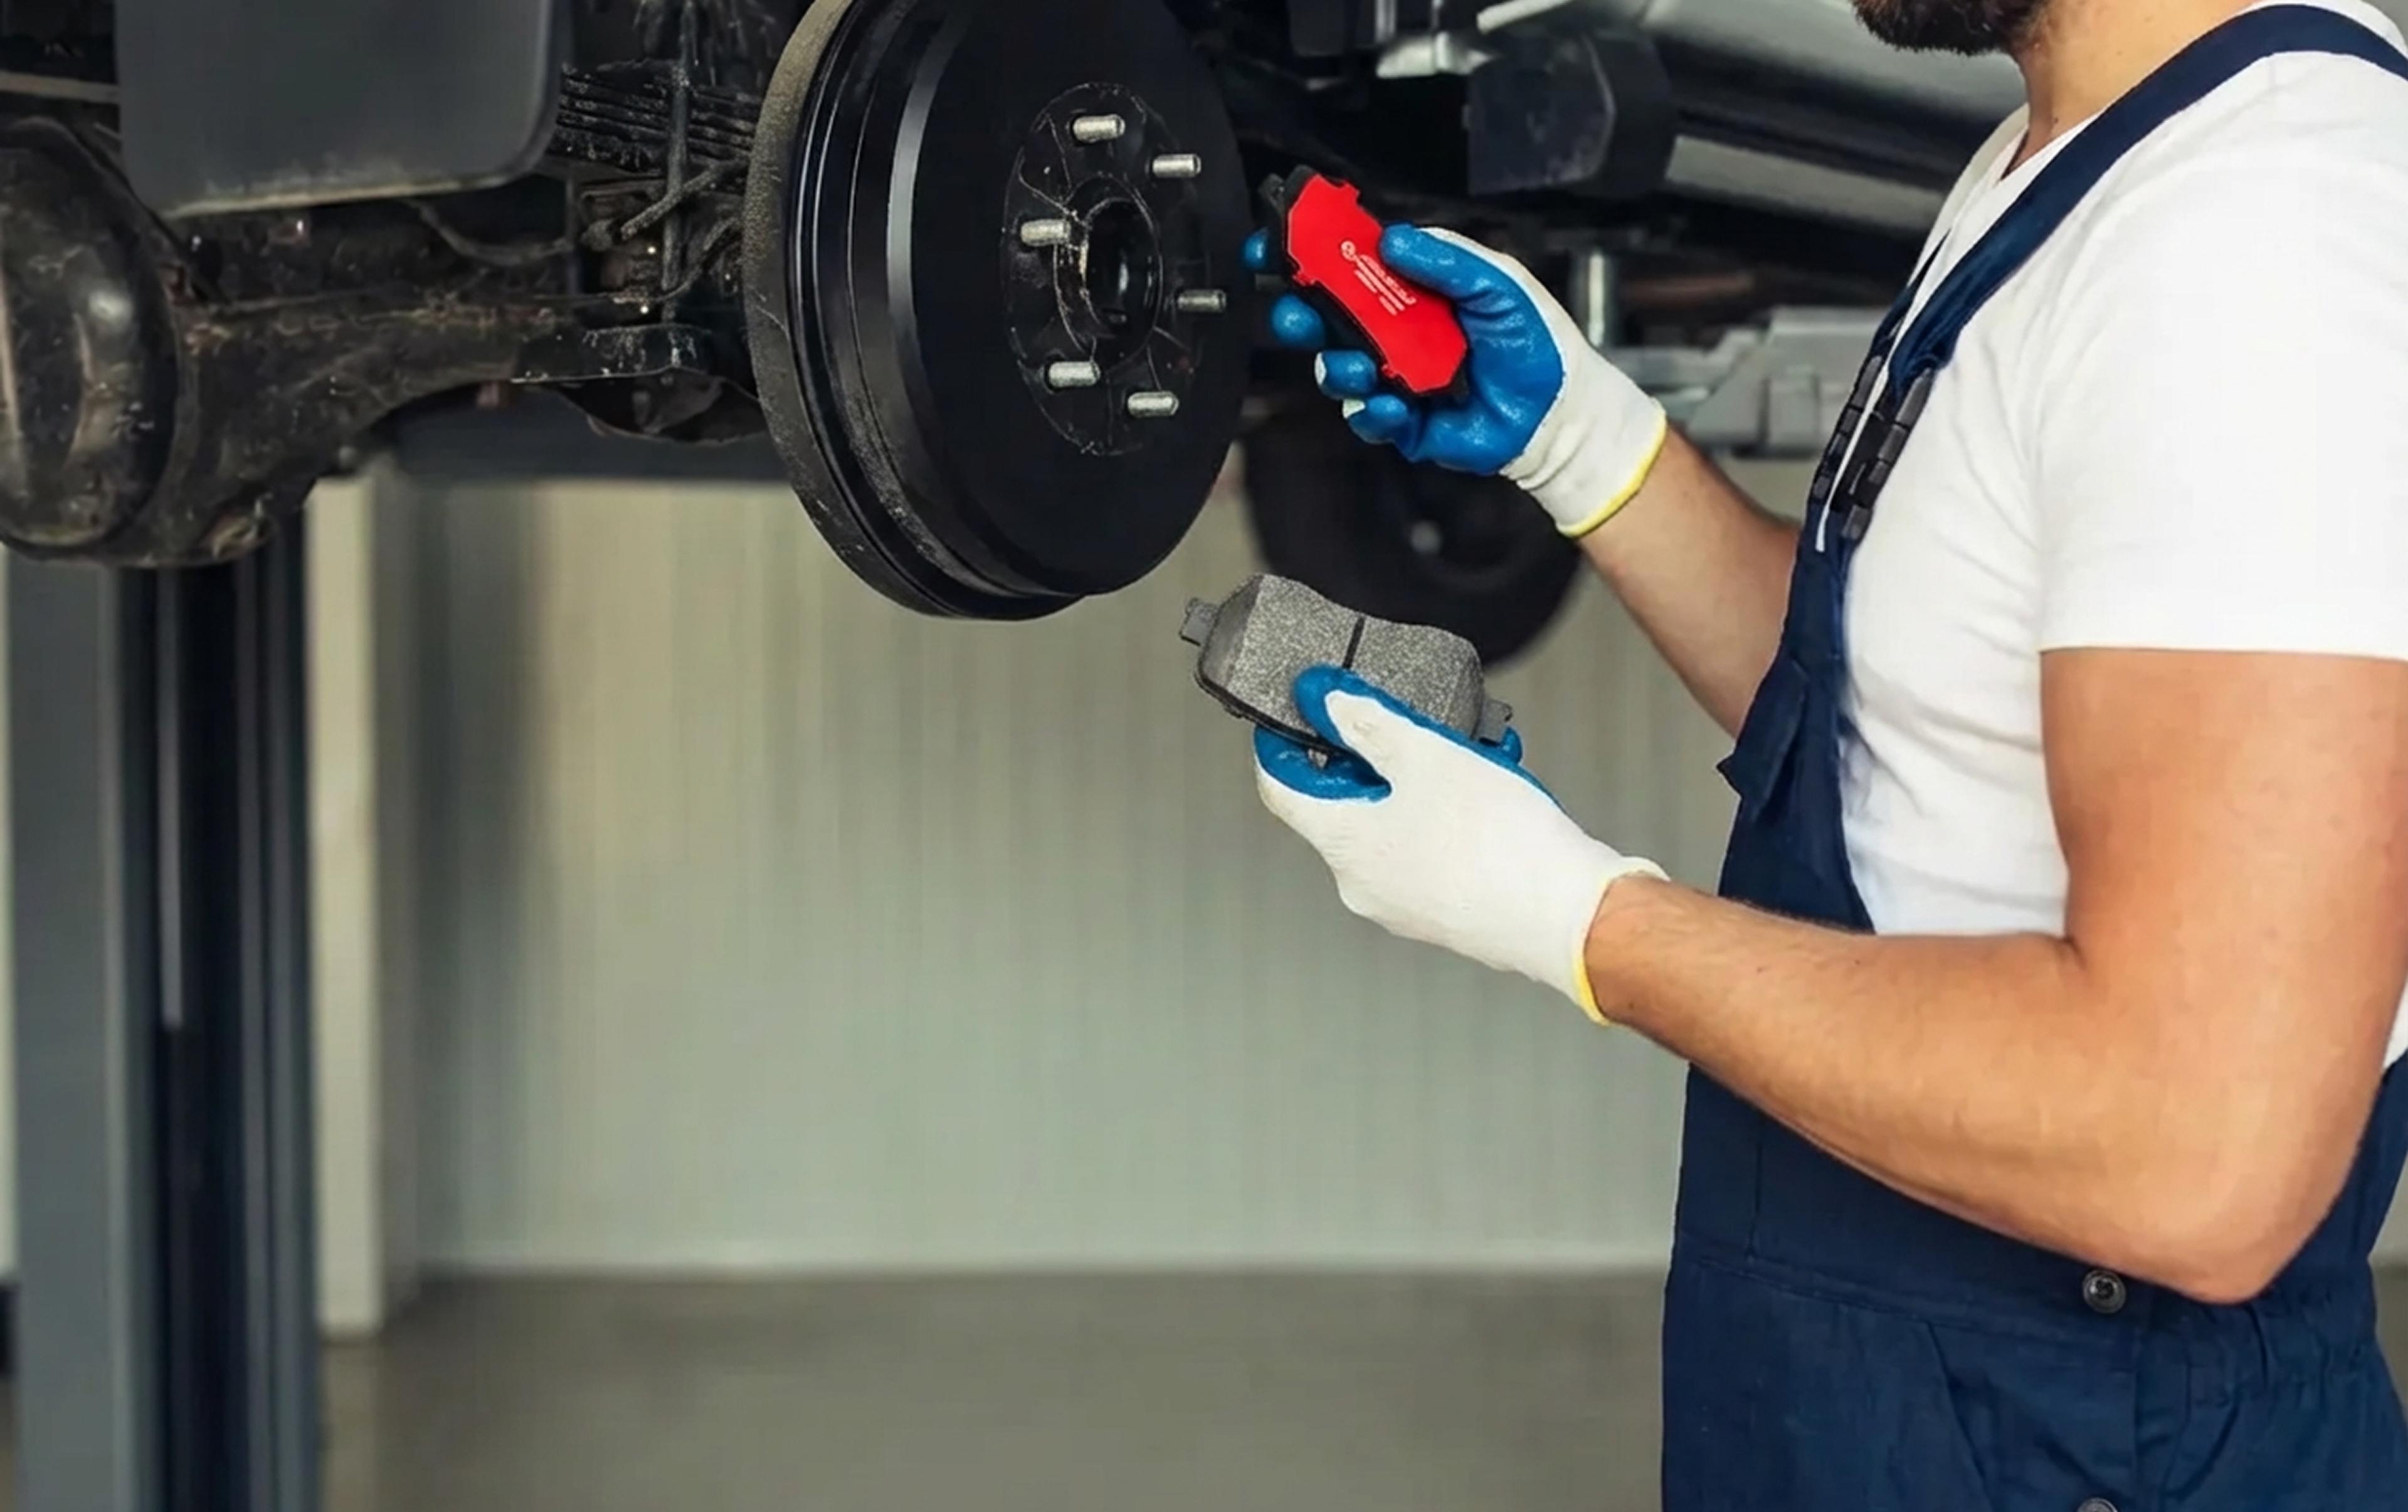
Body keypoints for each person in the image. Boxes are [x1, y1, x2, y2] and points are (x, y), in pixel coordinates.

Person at [1246, 0, 2408, 1505]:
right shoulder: (2064, 158)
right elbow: (1911, 733)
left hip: (2073, 1435)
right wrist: (1585, 447)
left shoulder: (2260, 228)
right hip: (1920, 1402)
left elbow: (2196, 1150)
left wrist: (1576, 918)